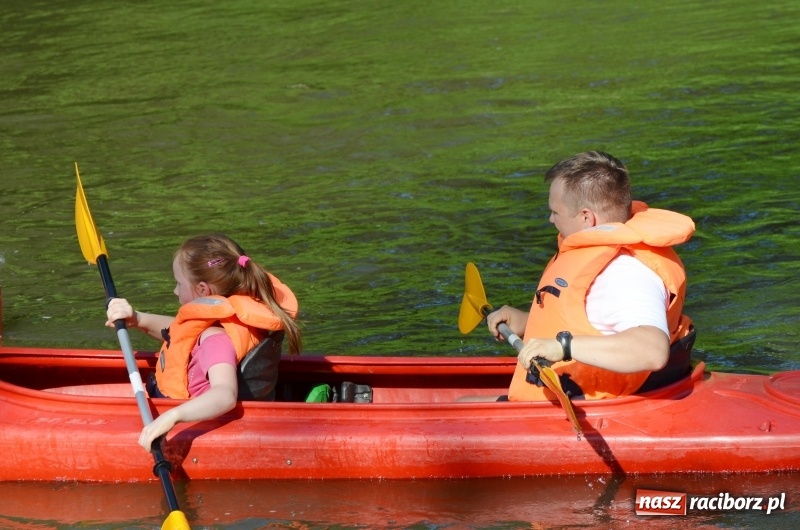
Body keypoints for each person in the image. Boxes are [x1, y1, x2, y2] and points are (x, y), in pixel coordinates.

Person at [485, 151, 694, 401]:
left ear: (586, 217)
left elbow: (652, 349)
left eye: (555, 212)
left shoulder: (624, 272)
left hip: (596, 409)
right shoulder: (604, 262)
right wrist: (526, 322)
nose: (550, 219)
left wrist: (563, 346)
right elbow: (596, 323)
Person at [105, 233, 301, 450]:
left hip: (194, 416)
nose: (175, 290)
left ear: (202, 289)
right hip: (172, 402)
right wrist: (137, 318)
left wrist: (172, 417)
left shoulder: (216, 340)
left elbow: (225, 394)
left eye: (179, 284)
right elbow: (181, 335)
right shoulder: (218, 324)